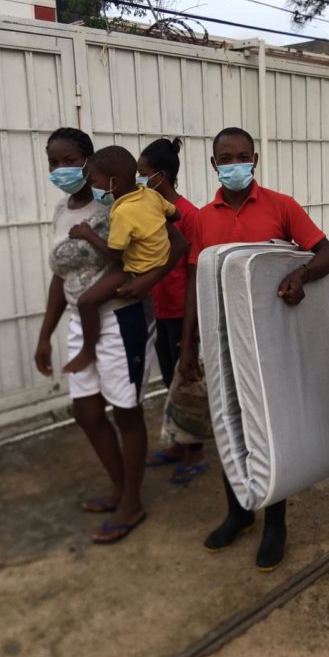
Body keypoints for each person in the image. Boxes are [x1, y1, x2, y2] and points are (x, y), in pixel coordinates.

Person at [178, 126, 329, 571]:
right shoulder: (203, 219)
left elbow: (327, 254)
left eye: (242, 155)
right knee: (230, 424)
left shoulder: (281, 206)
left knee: (269, 427)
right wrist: (187, 345)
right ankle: (238, 513)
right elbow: (196, 281)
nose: (234, 163)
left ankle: (276, 522)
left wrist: (300, 276)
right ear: (214, 164)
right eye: (225, 157)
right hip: (221, 338)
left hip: (269, 340)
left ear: (255, 159)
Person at [35, 128, 187, 544]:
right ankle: (121, 489)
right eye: (53, 162)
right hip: (78, 322)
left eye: (68, 160)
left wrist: (146, 283)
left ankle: (131, 501)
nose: (60, 169)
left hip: (122, 321)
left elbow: (176, 243)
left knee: (125, 411)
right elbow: (60, 275)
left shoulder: (121, 203)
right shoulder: (62, 210)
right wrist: (45, 335)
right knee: (86, 413)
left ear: (89, 161)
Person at [63, 145, 180, 374]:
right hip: (160, 259)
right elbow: (176, 214)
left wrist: (87, 234)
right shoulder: (150, 195)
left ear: (113, 184)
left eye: (94, 181)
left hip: (137, 270)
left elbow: (115, 253)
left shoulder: (122, 213)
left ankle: (88, 350)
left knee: (87, 301)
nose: (92, 186)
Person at [136, 138, 207, 484]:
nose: (138, 179)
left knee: (187, 379)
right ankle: (180, 444)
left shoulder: (189, 216)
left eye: (142, 174)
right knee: (169, 379)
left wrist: (191, 332)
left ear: (160, 177)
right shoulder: (148, 212)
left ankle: (195, 452)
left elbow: (195, 273)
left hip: (183, 312)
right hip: (159, 310)